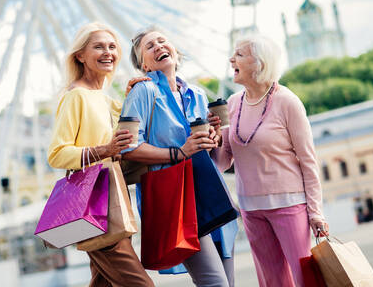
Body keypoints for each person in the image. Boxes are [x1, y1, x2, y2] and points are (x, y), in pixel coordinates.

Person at [121, 26, 238, 287]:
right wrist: (179, 152)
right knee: (214, 283)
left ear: (176, 50)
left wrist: (214, 137)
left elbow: (211, 156)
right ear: (142, 63)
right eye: (149, 46)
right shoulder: (143, 92)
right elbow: (128, 147)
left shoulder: (196, 93)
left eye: (163, 41)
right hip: (176, 198)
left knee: (228, 281)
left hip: (209, 191)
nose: (159, 47)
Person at [210, 34, 329, 287]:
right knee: (272, 282)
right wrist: (216, 135)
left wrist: (316, 212)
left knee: (305, 277)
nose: (232, 59)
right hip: (251, 209)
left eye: (240, 54)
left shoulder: (287, 101)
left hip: (289, 204)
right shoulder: (231, 104)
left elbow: (308, 160)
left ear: (260, 63)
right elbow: (223, 162)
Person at [47, 22, 154, 287]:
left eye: (112, 46)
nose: (108, 52)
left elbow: (128, 138)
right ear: (80, 56)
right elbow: (57, 154)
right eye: (98, 47)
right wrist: (105, 150)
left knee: (103, 282)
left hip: (114, 200)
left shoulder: (105, 99)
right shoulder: (76, 96)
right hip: (95, 206)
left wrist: (134, 95)